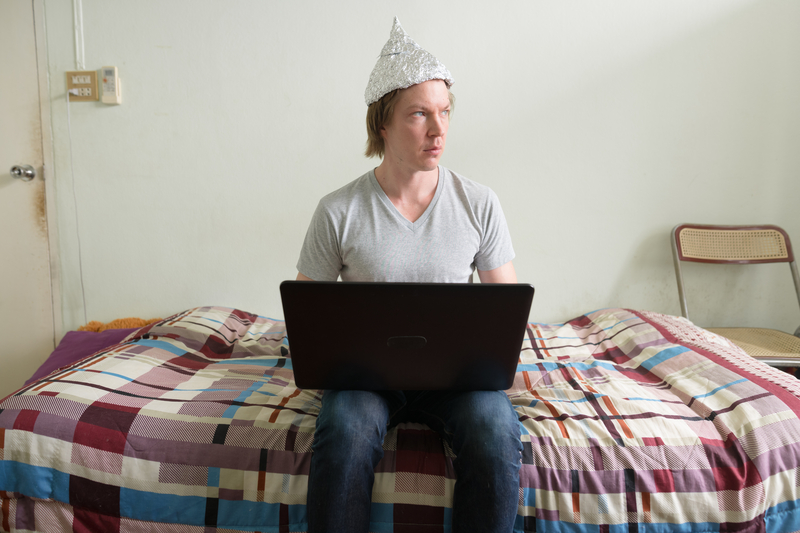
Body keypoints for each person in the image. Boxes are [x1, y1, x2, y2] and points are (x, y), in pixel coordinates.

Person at [295, 17, 523, 533]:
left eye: (445, 112)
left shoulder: (479, 203)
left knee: (494, 429)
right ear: (383, 123)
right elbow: (307, 319)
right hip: (365, 380)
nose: (439, 130)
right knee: (345, 429)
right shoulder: (338, 211)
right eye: (420, 114)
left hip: (458, 379)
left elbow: (505, 310)